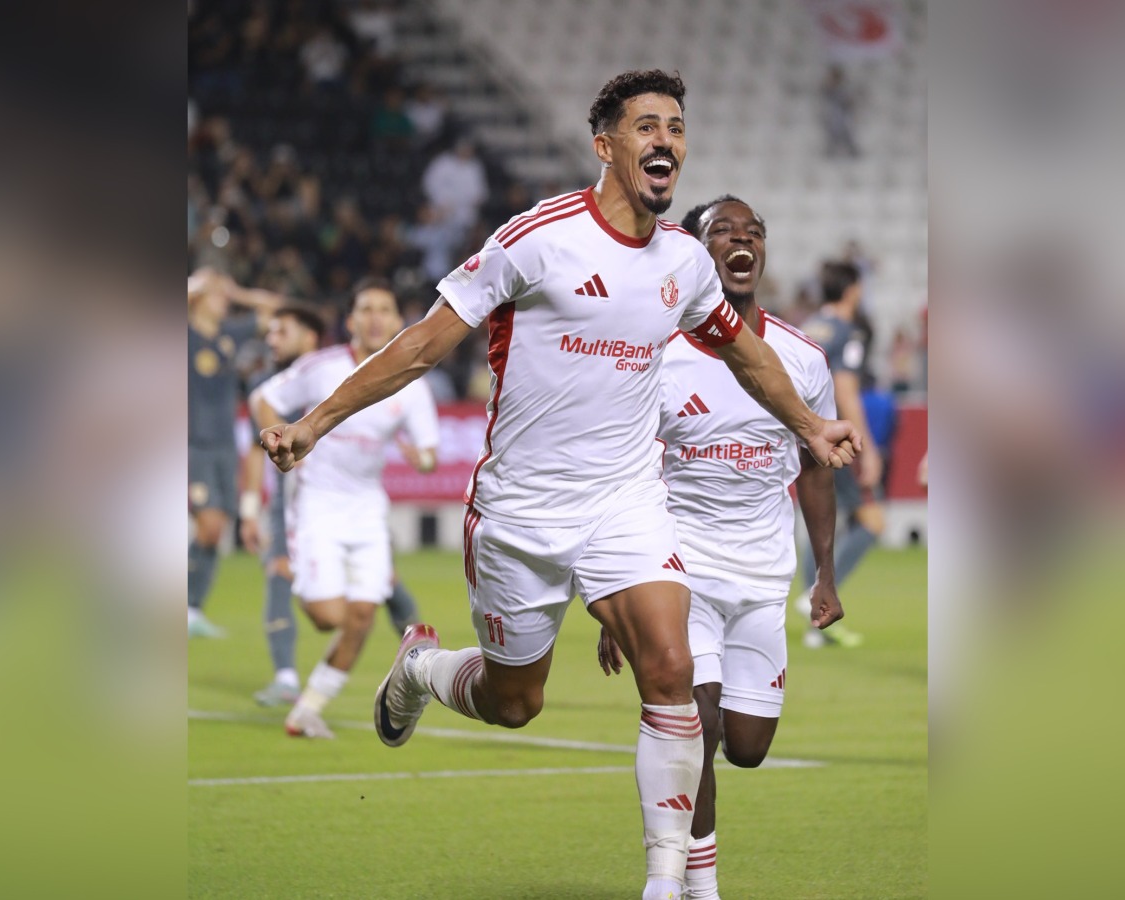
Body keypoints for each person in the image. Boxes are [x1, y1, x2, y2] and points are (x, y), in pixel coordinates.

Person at [260, 70, 859, 899]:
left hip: (625, 501)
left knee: (670, 669)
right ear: (605, 145)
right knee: (515, 703)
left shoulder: (685, 263)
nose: (666, 141)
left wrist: (808, 423)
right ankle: (424, 670)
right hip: (521, 510)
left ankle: (666, 883)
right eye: (647, 126)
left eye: (677, 128)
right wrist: (313, 424)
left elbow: (747, 353)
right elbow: (423, 346)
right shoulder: (537, 240)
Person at [598, 195, 844, 899]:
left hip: (764, 581)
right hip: (683, 573)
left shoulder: (800, 359)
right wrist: (622, 591)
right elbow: (624, 471)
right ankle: (687, 885)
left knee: (747, 747)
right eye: (723, 231)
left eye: (753, 232)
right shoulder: (659, 355)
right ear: (696, 250)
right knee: (694, 721)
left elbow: (816, 468)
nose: (741, 241)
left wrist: (824, 574)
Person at [251, 277, 440, 738]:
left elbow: (430, 452)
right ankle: (298, 572)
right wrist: (277, 439)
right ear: (351, 320)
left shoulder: (411, 383)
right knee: (327, 616)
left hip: (367, 509)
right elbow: (264, 399)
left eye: (385, 309)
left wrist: (423, 459)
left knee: (361, 617)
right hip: (317, 505)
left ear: (398, 321)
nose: (376, 317)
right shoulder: (321, 367)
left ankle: (307, 710)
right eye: (366, 309)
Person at [795, 261, 886, 648]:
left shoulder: (809, 326)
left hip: (803, 432)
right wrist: (868, 447)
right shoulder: (849, 333)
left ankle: (819, 628)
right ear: (852, 291)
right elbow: (845, 388)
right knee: (872, 521)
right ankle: (812, 595)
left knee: (819, 516)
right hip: (835, 436)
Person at [240, 305, 327, 705]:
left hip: (337, 498)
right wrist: (249, 510)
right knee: (277, 571)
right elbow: (258, 452)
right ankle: (287, 678)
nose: (271, 339)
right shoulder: (267, 384)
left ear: (309, 337)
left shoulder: (331, 375)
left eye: (282, 332)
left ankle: (419, 658)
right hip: (287, 499)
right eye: (270, 332)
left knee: (382, 583)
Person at [188, 268, 280, 638]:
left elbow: (274, 309)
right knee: (208, 524)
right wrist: (197, 282)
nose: (223, 300)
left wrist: (238, 291)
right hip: (189, 443)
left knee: (216, 531)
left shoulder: (228, 335)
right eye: (216, 295)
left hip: (226, 443)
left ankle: (191, 610)